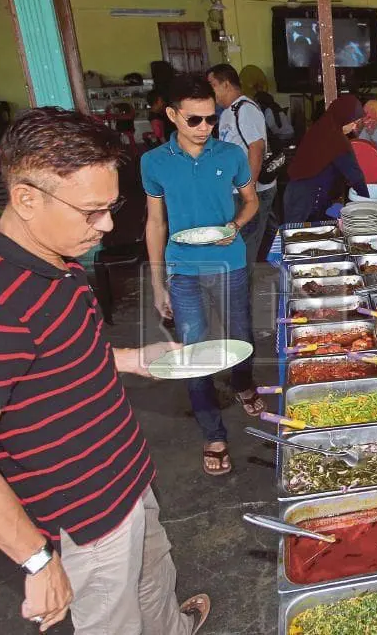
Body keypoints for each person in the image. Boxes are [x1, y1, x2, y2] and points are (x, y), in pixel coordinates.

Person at [0, 107, 210, 634]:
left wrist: (133, 361)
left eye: (111, 207)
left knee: (155, 576)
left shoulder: (57, 261)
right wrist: (36, 559)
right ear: (27, 199)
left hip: (125, 475)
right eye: (91, 211)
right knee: (113, 615)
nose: (106, 225)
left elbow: (60, 358)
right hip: (85, 512)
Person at [142, 75, 266, 477]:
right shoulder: (154, 162)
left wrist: (235, 227)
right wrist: (159, 283)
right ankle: (214, 434)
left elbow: (251, 202)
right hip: (183, 270)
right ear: (172, 115)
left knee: (240, 336)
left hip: (229, 261)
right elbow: (155, 224)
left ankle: (244, 383)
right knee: (195, 354)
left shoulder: (230, 155)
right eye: (194, 120)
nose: (205, 128)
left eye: (211, 119)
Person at [207, 63, 277, 266]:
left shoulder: (245, 109)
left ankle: (244, 284)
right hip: (241, 189)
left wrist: (250, 189)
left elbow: (256, 147)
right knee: (258, 232)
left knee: (246, 240)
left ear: (226, 84)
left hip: (252, 190)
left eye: (212, 84)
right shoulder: (229, 111)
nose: (210, 91)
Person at [283, 94, 369, 224]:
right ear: (343, 117)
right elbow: (355, 175)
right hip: (305, 200)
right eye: (353, 123)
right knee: (297, 236)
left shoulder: (321, 127)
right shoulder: (336, 138)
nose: (354, 128)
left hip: (297, 194)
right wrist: (368, 203)